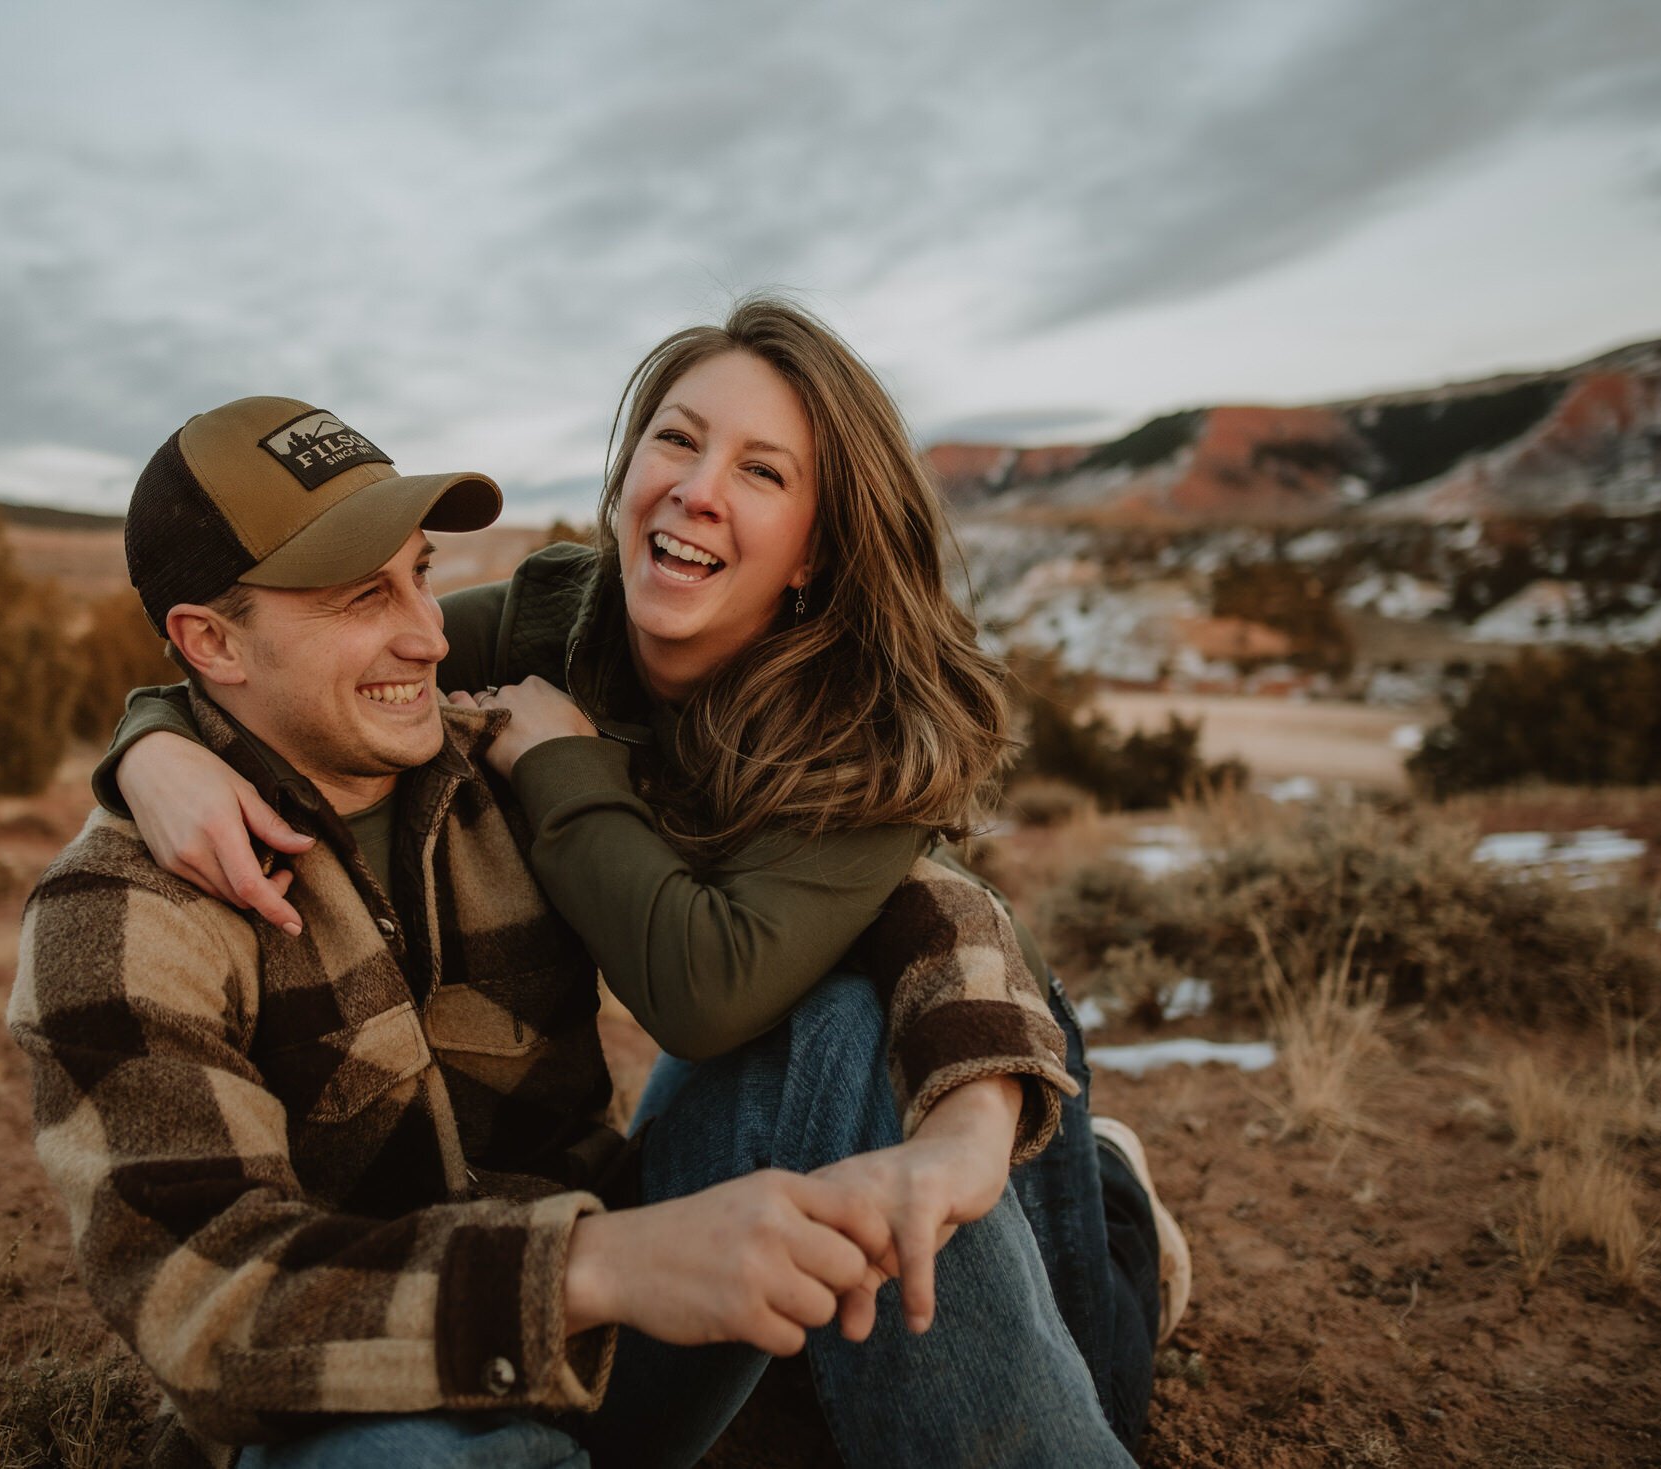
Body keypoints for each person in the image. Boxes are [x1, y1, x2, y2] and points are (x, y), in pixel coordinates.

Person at [89, 300, 1189, 1455]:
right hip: (643, 1147)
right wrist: (154, 740)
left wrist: (970, 1124)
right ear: (623, 473)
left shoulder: (863, 723)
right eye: (675, 438)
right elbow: (296, 672)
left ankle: (1114, 1200)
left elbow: (769, 970)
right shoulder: (556, 626)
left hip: (958, 1023)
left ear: (814, 542)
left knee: (1078, 1375)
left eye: (762, 470)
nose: (698, 486)